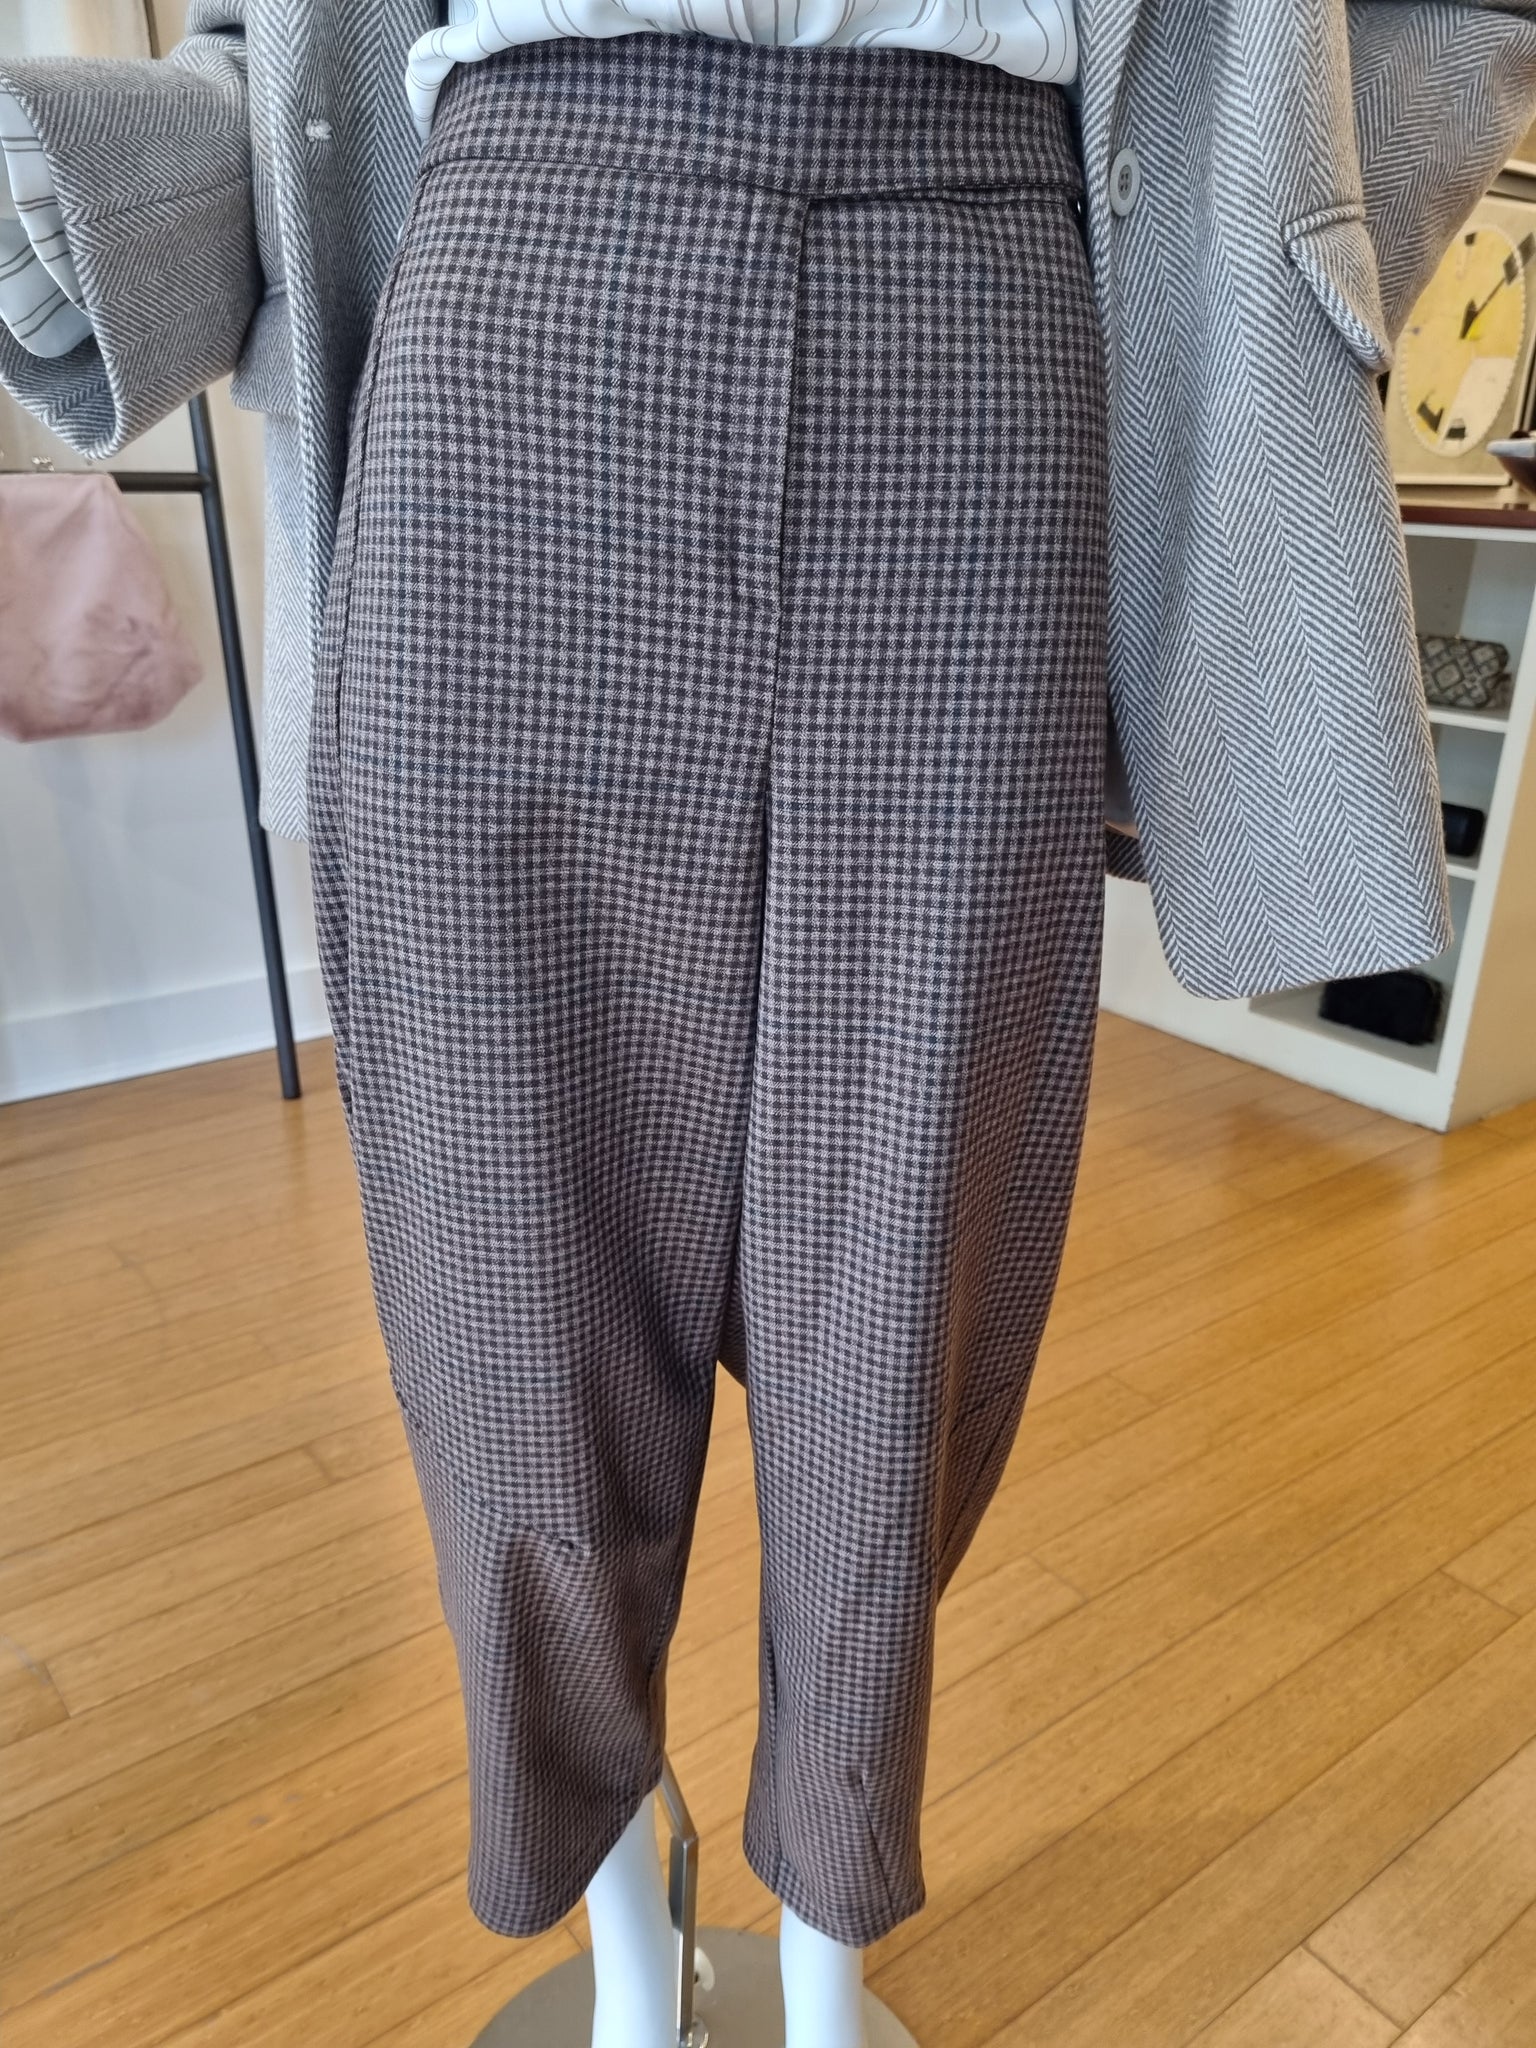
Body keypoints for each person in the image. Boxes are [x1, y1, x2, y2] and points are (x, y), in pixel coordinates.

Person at [2, 5, 1534, 2044]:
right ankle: (624, 1940)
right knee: (508, 1274)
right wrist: (93, 182)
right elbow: (290, 57)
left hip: (976, 286)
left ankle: (828, 1944)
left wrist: (1279, 254)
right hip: (517, 275)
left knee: (902, 1264)